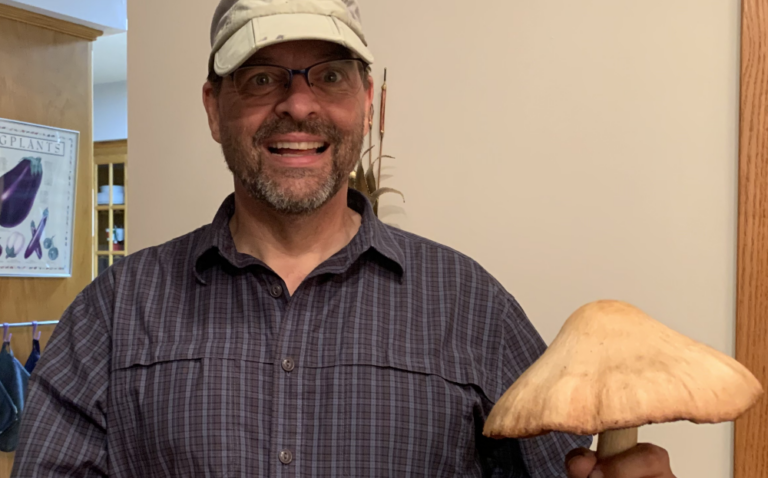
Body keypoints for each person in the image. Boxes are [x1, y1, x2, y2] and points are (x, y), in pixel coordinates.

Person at [11, 1, 676, 477]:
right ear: (215, 109)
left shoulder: (474, 309)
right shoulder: (114, 314)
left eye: (329, 74)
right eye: (261, 76)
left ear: (368, 104)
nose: (298, 105)